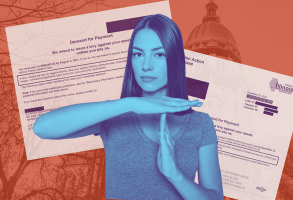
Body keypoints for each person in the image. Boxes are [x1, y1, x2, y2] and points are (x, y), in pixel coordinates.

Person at [33, 14, 223, 200]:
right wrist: (129, 103)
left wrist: (175, 174)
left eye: (158, 54)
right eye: (138, 54)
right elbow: (42, 127)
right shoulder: (116, 117)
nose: (146, 66)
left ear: (174, 59)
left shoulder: (200, 124)